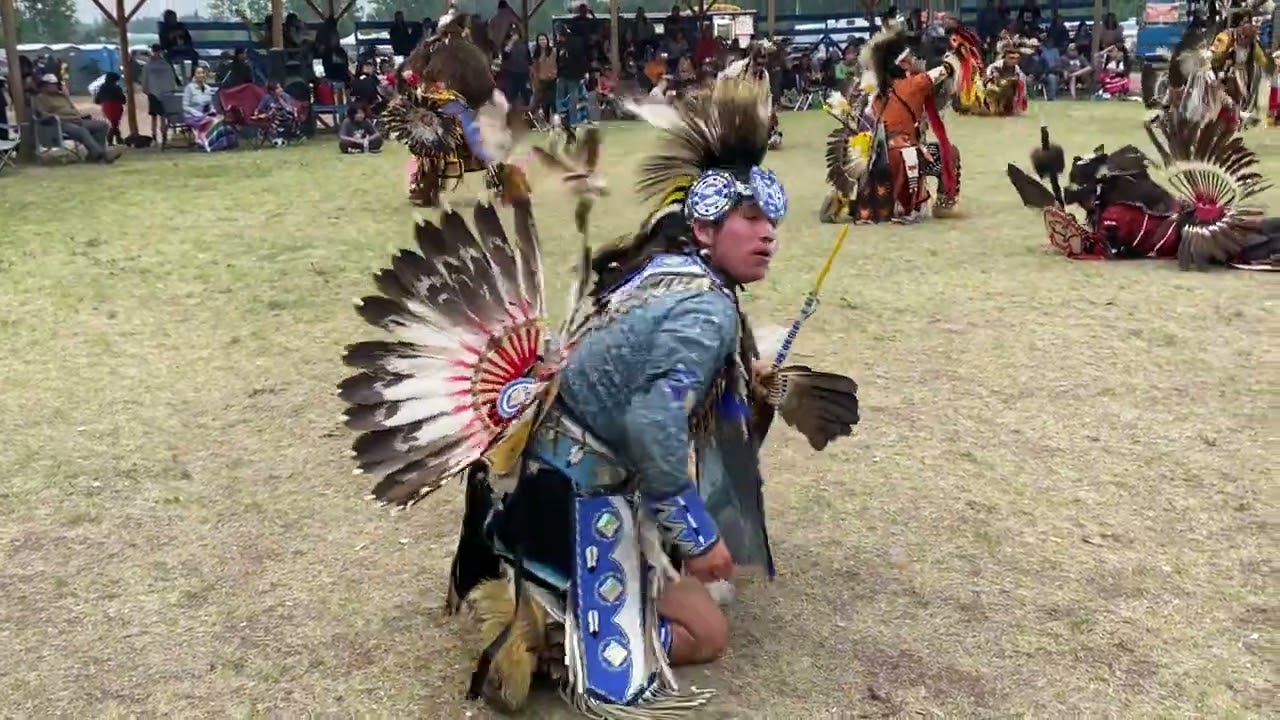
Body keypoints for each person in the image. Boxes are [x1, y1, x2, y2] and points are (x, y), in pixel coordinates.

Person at [340, 71, 859, 718]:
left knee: (685, 571)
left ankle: (530, 592)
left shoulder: (657, 272)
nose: (769, 234)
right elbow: (652, 422)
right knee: (709, 632)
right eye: (749, 218)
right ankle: (551, 642)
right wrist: (698, 537)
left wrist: (747, 389)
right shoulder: (704, 311)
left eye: (772, 220)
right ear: (703, 229)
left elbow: (650, 390)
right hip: (578, 495)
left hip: (529, 480)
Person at [1006, 113, 1278, 271]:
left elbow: (1106, 251)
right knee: (1253, 229)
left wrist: (1073, 242)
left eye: (1082, 199)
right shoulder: (1120, 196)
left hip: (1193, 236)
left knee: (1250, 245)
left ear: (1092, 193)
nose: (1081, 205)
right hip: (1193, 219)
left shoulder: (1113, 214)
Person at [389, 12, 524, 207]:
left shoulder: (468, 52)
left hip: (459, 106)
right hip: (429, 107)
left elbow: (481, 82)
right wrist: (410, 78)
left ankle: (502, 174)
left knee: (475, 140)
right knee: (423, 145)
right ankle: (424, 185)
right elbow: (410, 70)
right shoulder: (429, 48)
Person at [852, 25, 963, 223]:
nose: (914, 60)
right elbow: (944, 70)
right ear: (903, 64)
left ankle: (882, 203)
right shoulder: (914, 85)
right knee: (950, 153)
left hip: (877, 158)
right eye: (909, 58)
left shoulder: (878, 91)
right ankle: (945, 204)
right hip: (903, 154)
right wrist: (956, 56)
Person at [30, 74, 117, 163]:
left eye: (55, 84)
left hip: (76, 120)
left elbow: (74, 110)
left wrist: (67, 97)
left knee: (101, 125)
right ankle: (100, 155)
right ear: (44, 86)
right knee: (81, 131)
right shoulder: (41, 98)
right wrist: (60, 118)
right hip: (61, 124)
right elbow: (42, 114)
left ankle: (92, 155)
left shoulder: (62, 96)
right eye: (51, 84)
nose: (54, 86)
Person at [182, 66, 237, 151]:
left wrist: (213, 111)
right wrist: (196, 113)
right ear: (194, 75)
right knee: (213, 122)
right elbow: (185, 106)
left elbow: (210, 104)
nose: (201, 75)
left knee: (220, 120)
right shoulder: (189, 88)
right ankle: (209, 144)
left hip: (205, 115)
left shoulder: (207, 88)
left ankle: (224, 143)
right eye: (198, 73)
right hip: (192, 116)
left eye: (202, 73)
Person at [141, 45, 179, 141]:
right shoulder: (148, 64)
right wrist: (145, 88)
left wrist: (171, 89)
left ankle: (164, 134)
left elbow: (170, 77)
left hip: (165, 93)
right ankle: (153, 135)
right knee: (153, 116)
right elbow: (145, 78)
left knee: (163, 116)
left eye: (158, 52)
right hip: (153, 92)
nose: (156, 54)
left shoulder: (165, 64)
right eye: (155, 51)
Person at [255, 81, 302, 145]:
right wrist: (259, 114)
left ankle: (292, 135)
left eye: (280, 87)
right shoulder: (267, 98)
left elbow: (289, 109)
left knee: (290, 116)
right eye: (278, 88)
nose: (281, 90)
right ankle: (279, 138)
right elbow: (259, 109)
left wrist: (280, 99)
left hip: (286, 118)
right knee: (273, 115)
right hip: (272, 119)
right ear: (272, 92)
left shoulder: (285, 96)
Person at [93, 72, 127, 145]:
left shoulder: (102, 87)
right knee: (114, 124)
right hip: (116, 106)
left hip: (106, 106)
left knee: (113, 124)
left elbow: (97, 100)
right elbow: (122, 99)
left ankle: (118, 138)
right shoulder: (116, 87)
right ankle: (111, 139)